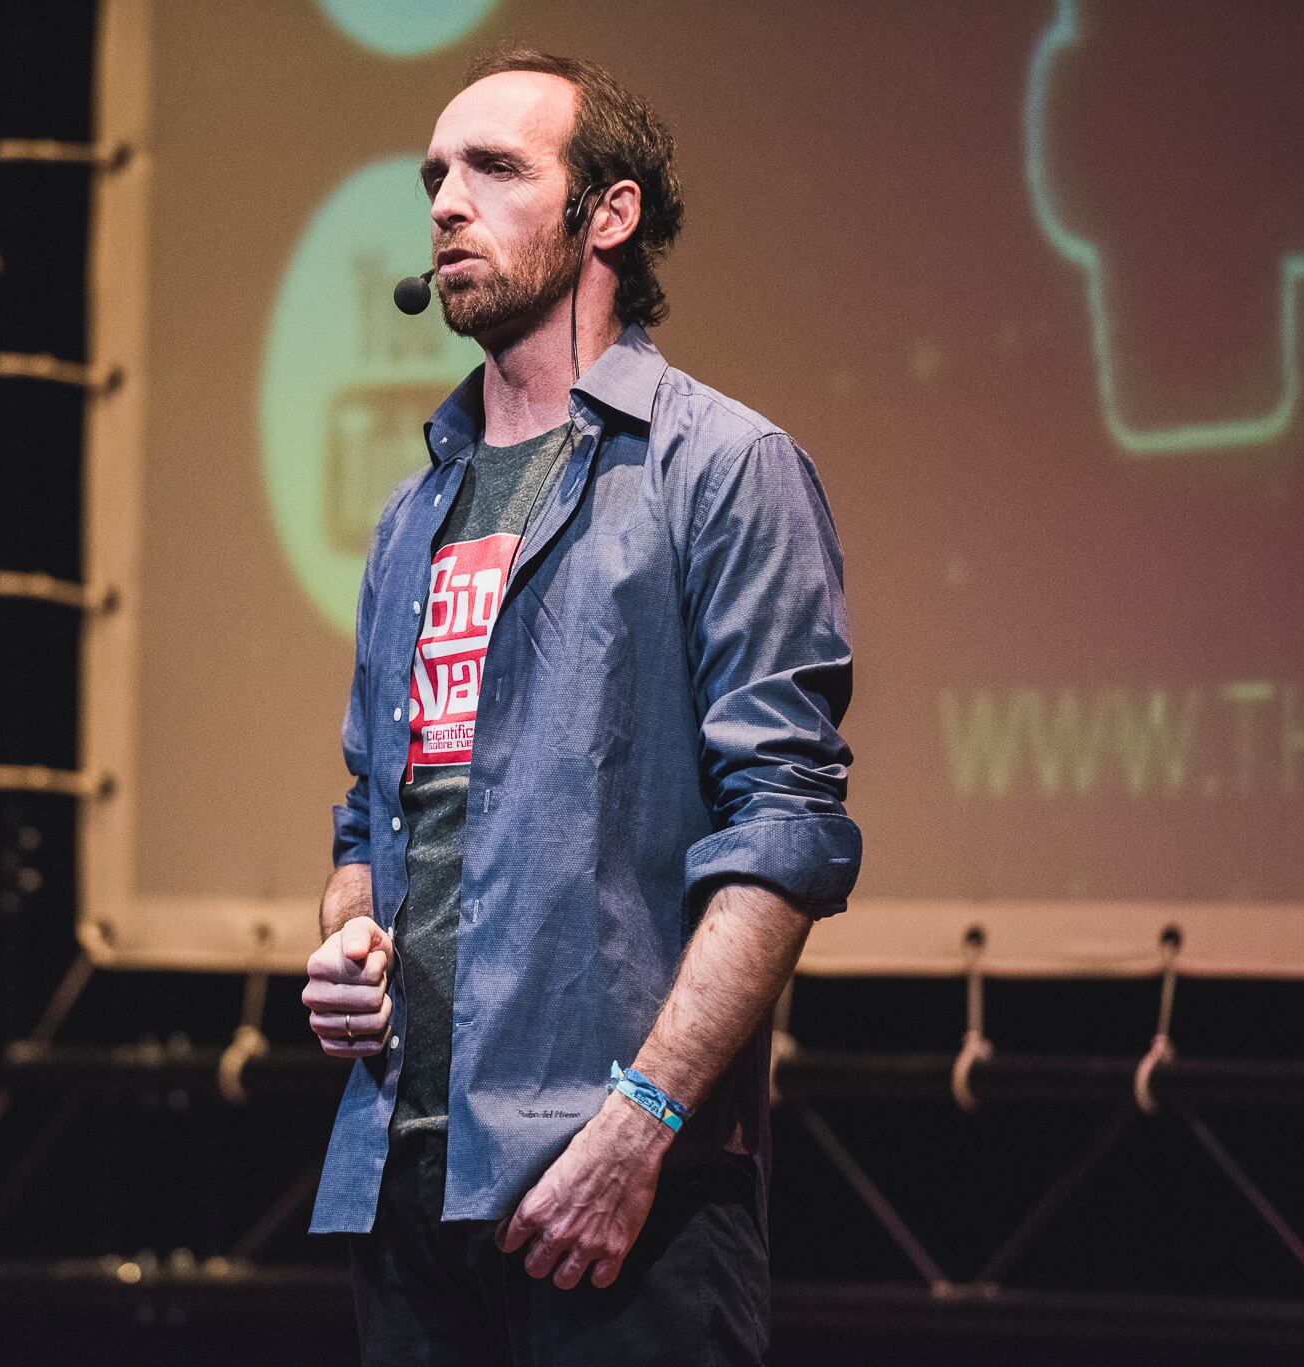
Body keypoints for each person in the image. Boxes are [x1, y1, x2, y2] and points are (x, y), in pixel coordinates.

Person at [300, 48, 859, 1366]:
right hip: (406, 1184)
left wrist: (642, 1126)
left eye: (495, 168)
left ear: (606, 213)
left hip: (613, 1189)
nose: (445, 200)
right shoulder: (412, 517)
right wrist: (345, 948)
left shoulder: (720, 469)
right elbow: (362, 829)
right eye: (435, 173)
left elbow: (784, 841)